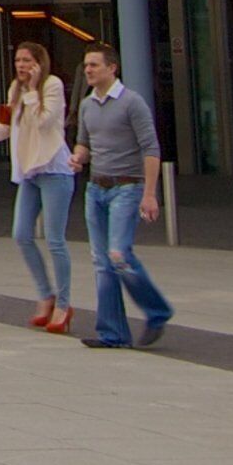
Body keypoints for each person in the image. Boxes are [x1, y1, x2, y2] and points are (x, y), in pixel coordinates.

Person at [0, 41, 76, 334]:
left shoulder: (52, 86)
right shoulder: (15, 89)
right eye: (18, 60)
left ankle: (63, 303)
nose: (22, 66)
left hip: (53, 167)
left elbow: (45, 122)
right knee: (22, 235)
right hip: (28, 170)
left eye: (27, 61)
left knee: (55, 240)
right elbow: (7, 126)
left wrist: (34, 89)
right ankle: (44, 294)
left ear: (39, 63)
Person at [73, 47, 171, 349]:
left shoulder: (132, 103)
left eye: (94, 65)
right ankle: (112, 333)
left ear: (111, 68)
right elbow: (84, 144)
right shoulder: (87, 105)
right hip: (96, 188)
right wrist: (77, 158)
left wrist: (150, 194)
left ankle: (157, 310)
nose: (88, 70)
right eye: (86, 65)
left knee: (119, 255)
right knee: (102, 262)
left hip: (127, 187)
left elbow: (150, 148)